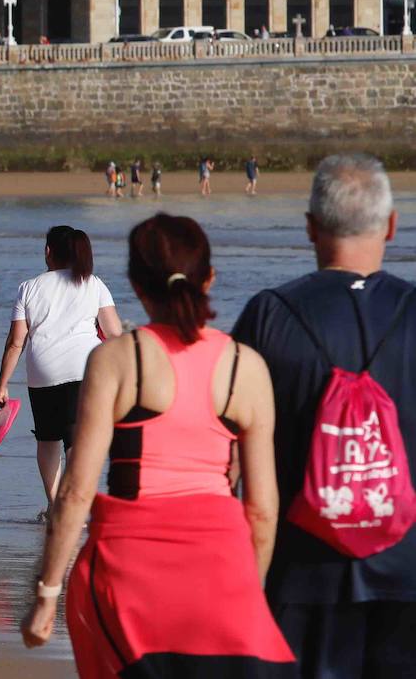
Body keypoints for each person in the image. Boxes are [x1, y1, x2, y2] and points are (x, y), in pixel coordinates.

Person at [21, 213, 295, 677]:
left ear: (136, 284)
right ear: (210, 278)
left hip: (126, 570)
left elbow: (75, 493)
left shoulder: (116, 360)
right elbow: (263, 510)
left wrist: (47, 595)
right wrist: (252, 591)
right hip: (221, 565)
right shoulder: (244, 366)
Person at [232, 154, 416, 678]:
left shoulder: (268, 315)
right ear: (392, 226)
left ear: (311, 227)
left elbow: (226, 459)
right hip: (408, 573)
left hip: (301, 577)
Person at [0, 226, 121, 517]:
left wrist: (2, 385)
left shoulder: (29, 287)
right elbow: (114, 332)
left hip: (43, 373)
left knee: (48, 439)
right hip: (85, 370)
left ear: (48, 252)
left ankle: (55, 505)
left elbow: (16, 342)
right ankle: (74, 503)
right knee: (77, 438)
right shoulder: (93, 283)